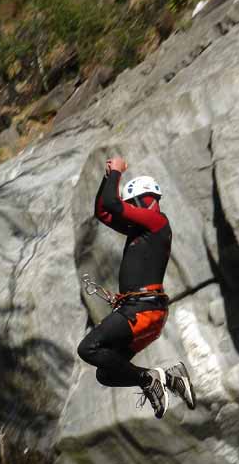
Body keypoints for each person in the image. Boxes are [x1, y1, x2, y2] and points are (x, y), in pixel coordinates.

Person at [77, 157, 195, 419]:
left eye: (132, 205)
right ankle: (170, 379)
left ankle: (149, 379)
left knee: (88, 348)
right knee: (106, 373)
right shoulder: (142, 230)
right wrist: (108, 178)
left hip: (142, 309)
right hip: (143, 310)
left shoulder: (157, 222)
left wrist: (117, 171)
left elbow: (112, 205)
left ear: (145, 200)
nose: (129, 211)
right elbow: (104, 211)